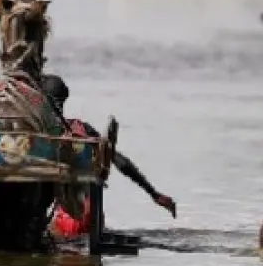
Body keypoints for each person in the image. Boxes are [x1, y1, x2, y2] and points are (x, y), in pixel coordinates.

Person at [43, 74, 177, 238]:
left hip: (62, 219)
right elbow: (121, 162)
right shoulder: (83, 130)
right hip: (91, 216)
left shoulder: (40, 136)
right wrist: (154, 194)